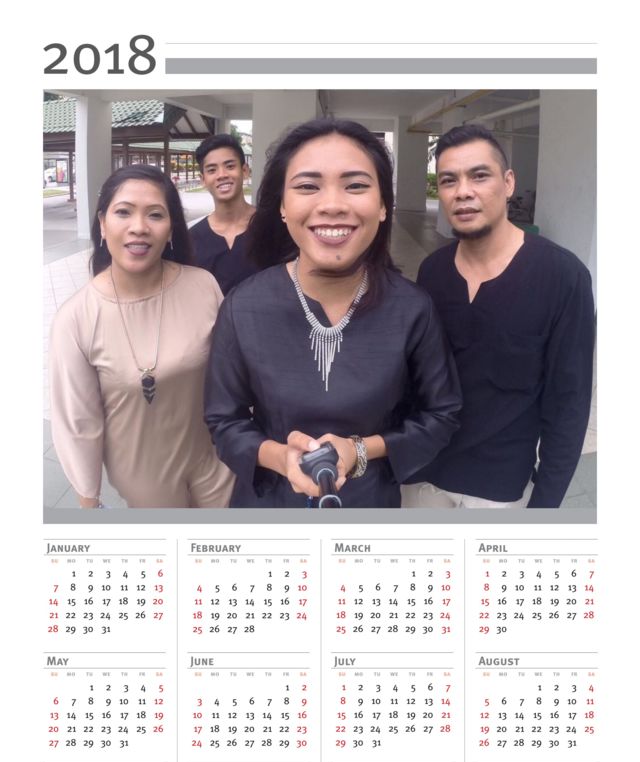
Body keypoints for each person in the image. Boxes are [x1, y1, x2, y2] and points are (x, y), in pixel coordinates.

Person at [203, 118, 462, 508]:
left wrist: (360, 450)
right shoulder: (243, 306)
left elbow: (441, 414)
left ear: (382, 207)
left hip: (370, 502)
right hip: (271, 503)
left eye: (355, 185)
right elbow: (224, 421)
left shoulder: (411, 308)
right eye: (308, 186)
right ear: (283, 207)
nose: (332, 205)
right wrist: (281, 458)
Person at [402, 124, 595, 509]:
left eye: (479, 175)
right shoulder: (433, 271)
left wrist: (546, 504)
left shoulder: (562, 276)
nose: (463, 191)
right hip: (423, 477)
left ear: (508, 183)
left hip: (499, 489)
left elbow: (568, 404)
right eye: (449, 180)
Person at [50, 164, 234, 508]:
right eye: (123, 212)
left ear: (171, 229)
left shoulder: (203, 286)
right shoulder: (75, 319)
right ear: (102, 224)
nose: (139, 227)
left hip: (216, 462)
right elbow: (79, 424)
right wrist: (88, 501)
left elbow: (232, 375)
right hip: (143, 477)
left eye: (155, 214)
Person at [189, 133, 258, 295]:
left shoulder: (272, 227)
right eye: (212, 170)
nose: (222, 175)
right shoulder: (191, 239)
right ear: (203, 179)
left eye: (230, 166)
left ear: (245, 171)